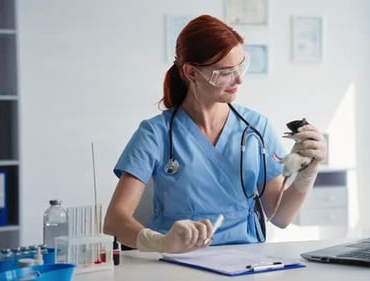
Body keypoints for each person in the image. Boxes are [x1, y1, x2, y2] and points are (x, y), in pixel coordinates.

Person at [103, 14, 326, 254]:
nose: (239, 79)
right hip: (176, 261)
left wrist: (308, 172)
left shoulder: (255, 128)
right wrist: (161, 243)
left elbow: (280, 217)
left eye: (241, 66)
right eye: (225, 72)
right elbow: (114, 221)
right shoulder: (155, 133)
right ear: (191, 73)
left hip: (245, 260)